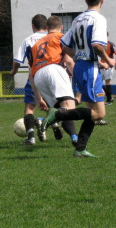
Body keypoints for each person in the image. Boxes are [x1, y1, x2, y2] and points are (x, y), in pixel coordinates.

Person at [42, 0, 115, 158]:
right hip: (90, 69)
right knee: (99, 114)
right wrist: (108, 59)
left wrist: (80, 56)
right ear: (102, 1)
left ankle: (80, 148)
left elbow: (64, 44)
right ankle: (59, 114)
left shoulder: (77, 20)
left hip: (81, 66)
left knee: (91, 111)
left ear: (85, 0)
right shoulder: (98, 19)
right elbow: (97, 45)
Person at [10, 14, 63, 145]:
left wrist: (13, 71)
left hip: (35, 76)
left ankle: (31, 138)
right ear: (46, 26)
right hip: (51, 76)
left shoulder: (28, 40)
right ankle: (55, 123)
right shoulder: (51, 37)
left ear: (33, 26)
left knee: (29, 108)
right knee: (53, 105)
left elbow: (18, 60)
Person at [29, 15, 79, 147]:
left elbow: (31, 74)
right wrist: (78, 80)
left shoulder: (36, 45)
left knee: (61, 110)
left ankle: (75, 138)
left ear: (46, 28)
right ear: (61, 27)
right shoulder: (61, 37)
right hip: (54, 70)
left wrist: (39, 98)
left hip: (38, 76)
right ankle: (43, 120)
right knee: (70, 107)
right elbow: (68, 60)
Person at [100, 32, 116, 106]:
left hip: (108, 66)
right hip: (100, 65)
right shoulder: (99, 45)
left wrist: (115, 63)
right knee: (98, 82)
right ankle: (109, 96)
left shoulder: (111, 44)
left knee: (107, 82)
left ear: (107, 37)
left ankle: (109, 100)